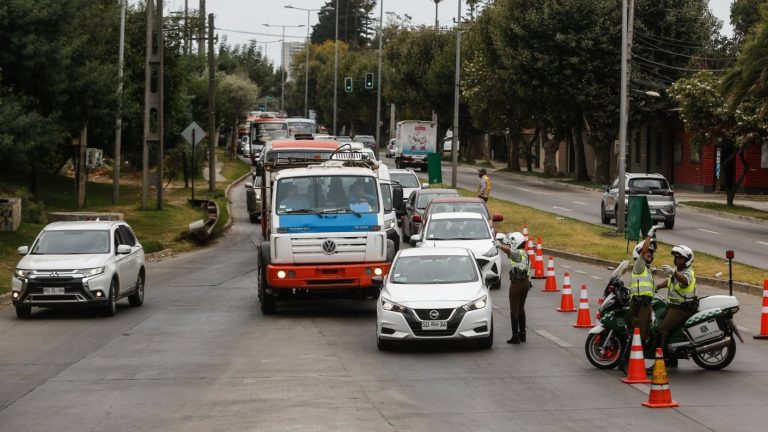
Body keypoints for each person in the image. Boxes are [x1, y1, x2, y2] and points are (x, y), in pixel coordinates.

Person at [655, 245, 697, 361]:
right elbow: (670, 281)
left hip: (682, 308)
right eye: (677, 258)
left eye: (681, 258)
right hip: (674, 305)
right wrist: (657, 286)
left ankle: (660, 361)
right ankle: (672, 359)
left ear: (687, 260)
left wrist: (673, 273)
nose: (678, 260)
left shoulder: (688, 272)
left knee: (663, 329)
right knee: (658, 321)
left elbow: (685, 280)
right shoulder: (678, 271)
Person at [497, 232, 530, 344]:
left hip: (517, 283)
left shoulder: (516, 253)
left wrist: (499, 245)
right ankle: (523, 334)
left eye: (511, 243)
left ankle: (515, 336)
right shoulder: (525, 253)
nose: (510, 245)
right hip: (526, 282)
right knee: (521, 308)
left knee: (514, 309)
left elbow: (509, 251)